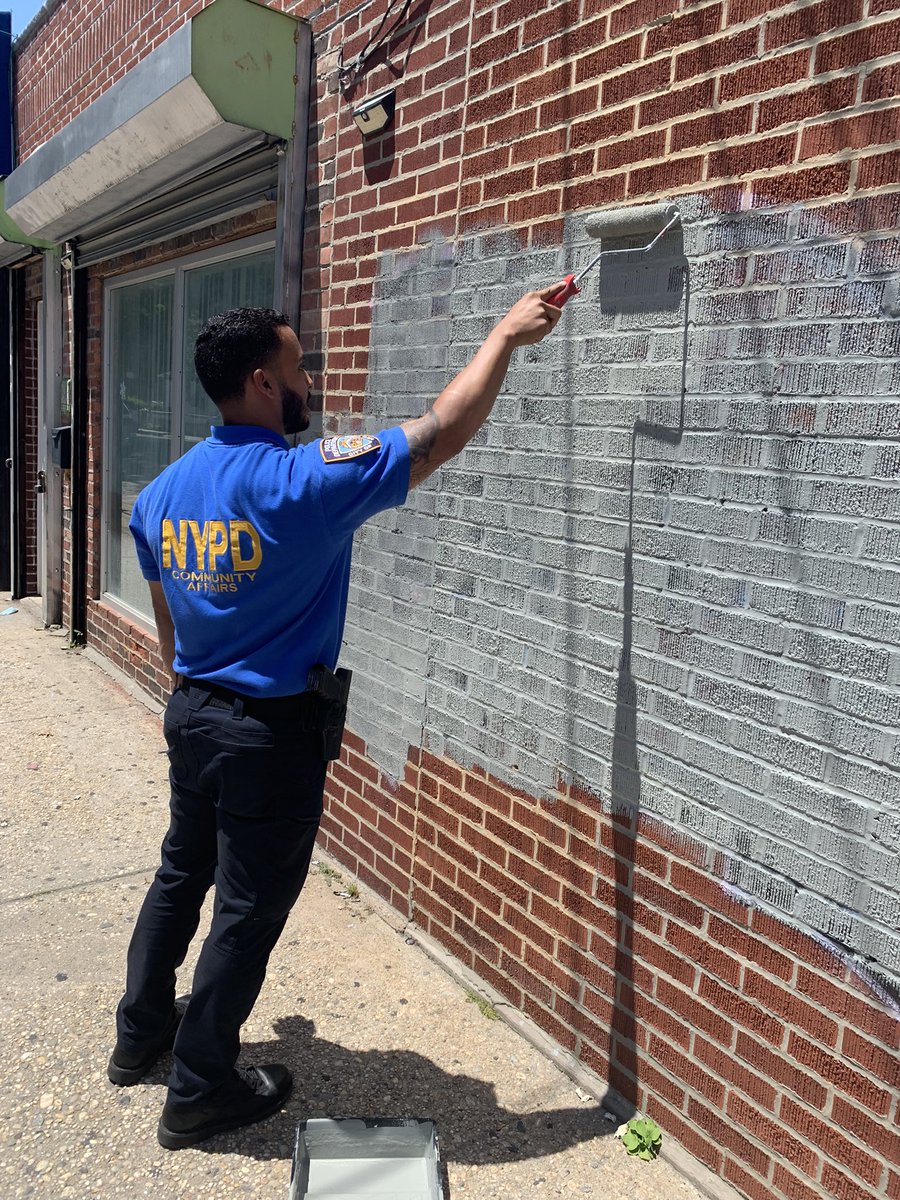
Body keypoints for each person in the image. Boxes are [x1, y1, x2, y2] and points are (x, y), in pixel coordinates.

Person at [108, 285, 562, 1150]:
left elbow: (170, 621)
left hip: (193, 712)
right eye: (298, 367)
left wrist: (191, 686)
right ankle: (200, 1088)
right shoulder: (301, 481)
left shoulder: (162, 493)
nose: (308, 380)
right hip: (266, 736)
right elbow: (437, 434)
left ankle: (139, 1039)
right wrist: (505, 333)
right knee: (245, 911)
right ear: (262, 382)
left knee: (181, 874)